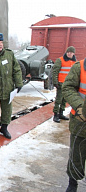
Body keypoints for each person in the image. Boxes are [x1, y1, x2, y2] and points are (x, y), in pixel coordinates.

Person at [62, 58, 86, 192]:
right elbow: (68, 87)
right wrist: (80, 106)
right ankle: (72, 183)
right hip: (80, 121)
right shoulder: (80, 67)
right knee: (77, 155)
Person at [52, 46, 76, 123]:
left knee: (64, 100)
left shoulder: (75, 62)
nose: (69, 54)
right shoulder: (60, 60)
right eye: (68, 52)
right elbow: (55, 71)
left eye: (71, 52)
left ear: (73, 53)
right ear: (66, 52)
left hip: (68, 85)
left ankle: (61, 113)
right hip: (61, 84)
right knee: (58, 100)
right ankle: (55, 115)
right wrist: (55, 82)